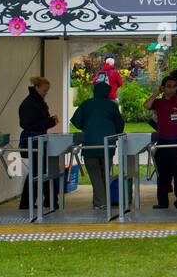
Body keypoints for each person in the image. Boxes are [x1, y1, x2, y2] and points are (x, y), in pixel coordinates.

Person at [70, 79, 125, 209]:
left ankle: (100, 203)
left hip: (90, 145)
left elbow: (75, 121)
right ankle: (101, 202)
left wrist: (87, 126)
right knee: (105, 174)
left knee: (95, 175)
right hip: (108, 145)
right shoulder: (111, 105)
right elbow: (120, 124)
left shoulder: (87, 104)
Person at [18, 75, 60, 210]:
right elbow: (27, 123)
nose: (45, 93)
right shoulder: (29, 104)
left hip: (40, 140)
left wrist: (49, 121)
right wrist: (50, 121)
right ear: (36, 88)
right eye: (44, 91)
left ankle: (49, 199)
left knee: (44, 170)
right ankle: (27, 202)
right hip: (33, 141)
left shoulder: (37, 102)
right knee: (37, 171)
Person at [144, 74, 177, 209]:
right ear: (163, 88)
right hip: (163, 143)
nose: (172, 90)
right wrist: (157, 93)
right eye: (168, 87)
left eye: (174, 87)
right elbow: (147, 105)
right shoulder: (159, 103)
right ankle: (163, 203)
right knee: (163, 176)